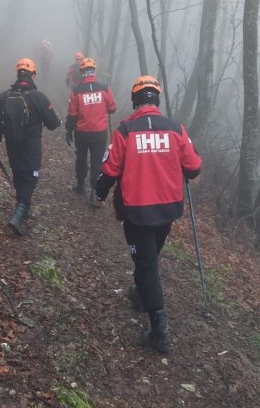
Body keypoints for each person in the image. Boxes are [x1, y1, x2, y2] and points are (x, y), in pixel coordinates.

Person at [95, 76, 201, 354]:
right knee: (148, 257)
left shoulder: (126, 130)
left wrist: (100, 191)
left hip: (137, 210)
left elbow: (110, 169)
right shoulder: (176, 128)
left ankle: (159, 329)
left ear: (135, 100)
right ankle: (141, 294)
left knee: (147, 262)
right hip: (167, 209)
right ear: (157, 99)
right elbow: (194, 166)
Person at [0, 58, 61, 236]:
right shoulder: (39, 97)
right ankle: (20, 213)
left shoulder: (4, 96)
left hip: (12, 146)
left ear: (17, 73)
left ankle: (22, 208)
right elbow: (53, 124)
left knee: (19, 175)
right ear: (33, 74)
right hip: (31, 147)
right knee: (30, 178)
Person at [64, 57, 116, 205]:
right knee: (97, 160)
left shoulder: (77, 91)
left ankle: (80, 185)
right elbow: (112, 108)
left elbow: (72, 114)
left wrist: (68, 130)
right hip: (99, 132)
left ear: (82, 72)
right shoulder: (105, 88)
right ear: (94, 71)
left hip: (82, 132)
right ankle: (94, 192)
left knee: (81, 158)